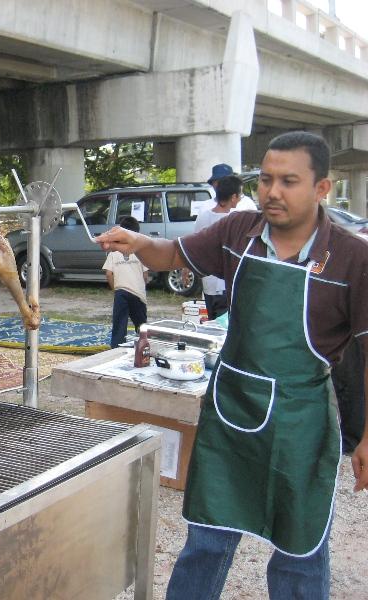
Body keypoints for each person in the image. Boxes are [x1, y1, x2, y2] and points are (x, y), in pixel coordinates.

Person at [96, 131, 368, 599]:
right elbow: (174, 255)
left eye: (289, 181)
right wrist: (139, 241)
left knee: (300, 549)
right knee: (206, 536)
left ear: (322, 188)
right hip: (230, 409)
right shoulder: (237, 231)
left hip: (300, 420)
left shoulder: (352, 257)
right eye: (265, 180)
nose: (273, 192)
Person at [193, 174, 242, 320]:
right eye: (240, 195)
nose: (240, 198)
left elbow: (194, 244)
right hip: (226, 285)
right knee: (226, 329)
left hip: (208, 282)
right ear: (233, 197)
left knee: (214, 326)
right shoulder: (234, 220)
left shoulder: (203, 216)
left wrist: (186, 268)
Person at [102, 216, 148, 348]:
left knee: (119, 325)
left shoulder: (114, 251)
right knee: (142, 326)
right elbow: (145, 274)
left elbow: (109, 273)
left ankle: (116, 349)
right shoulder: (140, 250)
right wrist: (142, 284)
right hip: (138, 293)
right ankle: (144, 347)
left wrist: (115, 288)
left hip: (121, 293)